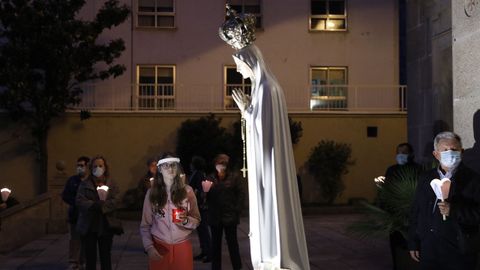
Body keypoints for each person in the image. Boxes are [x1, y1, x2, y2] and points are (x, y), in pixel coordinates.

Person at [220, 5, 310, 269]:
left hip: (269, 169)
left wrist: (248, 114)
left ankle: (275, 257)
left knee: (272, 211)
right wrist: (248, 113)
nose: (238, 71)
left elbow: (266, 135)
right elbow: (262, 127)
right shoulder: (263, 89)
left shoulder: (268, 89)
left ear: (249, 60)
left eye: (238, 65)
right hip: (265, 165)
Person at [408, 131, 480, 270]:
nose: (450, 153)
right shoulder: (426, 178)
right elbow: (416, 211)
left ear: (462, 152)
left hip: (458, 251)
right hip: (429, 249)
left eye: (454, 149)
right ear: (436, 154)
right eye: (445, 150)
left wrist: (454, 210)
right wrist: (413, 242)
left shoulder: (474, 179)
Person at [140, 153, 200, 270]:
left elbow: (197, 220)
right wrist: (149, 247)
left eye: (173, 165)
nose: (170, 168)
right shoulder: (152, 194)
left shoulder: (187, 191)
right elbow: (145, 225)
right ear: (160, 169)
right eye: (166, 165)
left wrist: (186, 220)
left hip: (182, 247)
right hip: (159, 247)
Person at [76, 155, 119, 270]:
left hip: (105, 225)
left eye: (100, 166)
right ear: (91, 168)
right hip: (89, 225)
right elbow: (79, 201)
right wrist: (93, 205)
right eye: (95, 166)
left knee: (106, 256)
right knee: (90, 257)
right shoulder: (85, 183)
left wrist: (104, 206)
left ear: (105, 167)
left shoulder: (111, 183)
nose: (98, 168)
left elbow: (116, 199)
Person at [206, 154, 245, 270]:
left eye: (225, 162)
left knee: (233, 246)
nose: (222, 164)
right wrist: (205, 192)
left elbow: (241, 194)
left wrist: (237, 209)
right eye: (220, 162)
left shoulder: (234, 177)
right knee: (215, 247)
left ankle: (237, 267)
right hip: (215, 217)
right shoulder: (211, 178)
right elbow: (205, 198)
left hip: (230, 216)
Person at [62, 156, 90, 270]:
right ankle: (73, 261)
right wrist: (76, 202)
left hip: (88, 216)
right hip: (75, 215)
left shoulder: (91, 181)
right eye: (78, 165)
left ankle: (83, 261)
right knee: (74, 239)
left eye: (82, 165)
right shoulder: (72, 180)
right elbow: (65, 195)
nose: (79, 168)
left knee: (86, 239)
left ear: (87, 167)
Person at [188, 155, 211, 262]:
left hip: (200, 206)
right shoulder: (197, 174)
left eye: (192, 163)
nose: (190, 165)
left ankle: (209, 252)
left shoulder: (199, 175)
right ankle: (204, 251)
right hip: (197, 205)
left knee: (203, 230)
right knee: (201, 230)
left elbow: (200, 189)